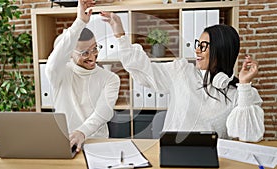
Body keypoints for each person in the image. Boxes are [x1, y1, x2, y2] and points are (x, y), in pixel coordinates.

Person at [100, 12, 264, 142]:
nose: (197, 50)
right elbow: (144, 70)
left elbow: (248, 135)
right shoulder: (182, 72)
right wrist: (120, 35)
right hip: (174, 153)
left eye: (203, 46)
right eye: (197, 44)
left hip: (215, 160)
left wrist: (244, 86)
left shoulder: (241, 94)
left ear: (220, 50)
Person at [45, 0, 120, 152]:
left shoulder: (110, 78)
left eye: (95, 49)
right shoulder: (60, 74)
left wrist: (82, 132)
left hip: (98, 143)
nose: (92, 57)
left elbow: (103, 112)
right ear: (70, 53)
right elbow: (53, 63)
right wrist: (80, 22)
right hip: (66, 142)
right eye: (85, 52)